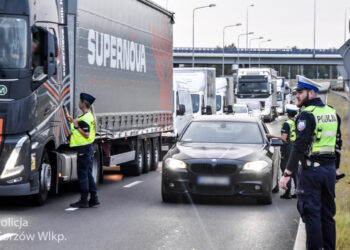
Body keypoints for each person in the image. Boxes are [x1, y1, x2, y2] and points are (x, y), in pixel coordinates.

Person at [280, 75, 341, 250]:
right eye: (296, 92)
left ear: (311, 93)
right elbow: (337, 144)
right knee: (328, 215)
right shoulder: (331, 112)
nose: (296, 96)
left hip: (311, 172)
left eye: (300, 92)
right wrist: (335, 169)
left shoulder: (307, 116)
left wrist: (287, 174)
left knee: (311, 213)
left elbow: (299, 147)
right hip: (328, 172)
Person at [69, 93, 100, 208]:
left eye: (80, 101)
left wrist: (76, 126)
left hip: (84, 149)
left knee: (83, 174)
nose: (78, 103)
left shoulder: (86, 118)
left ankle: (84, 200)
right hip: (87, 148)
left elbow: (86, 134)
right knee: (88, 173)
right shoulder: (87, 116)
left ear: (83, 103)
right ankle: (94, 197)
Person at [267, 104, 299, 199]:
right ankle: (297, 191)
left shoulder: (286, 123)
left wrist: (270, 135)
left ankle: (287, 192)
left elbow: (283, 138)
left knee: (286, 168)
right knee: (294, 169)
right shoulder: (296, 123)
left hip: (287, 147)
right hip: (295, 147)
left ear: (287, 113)